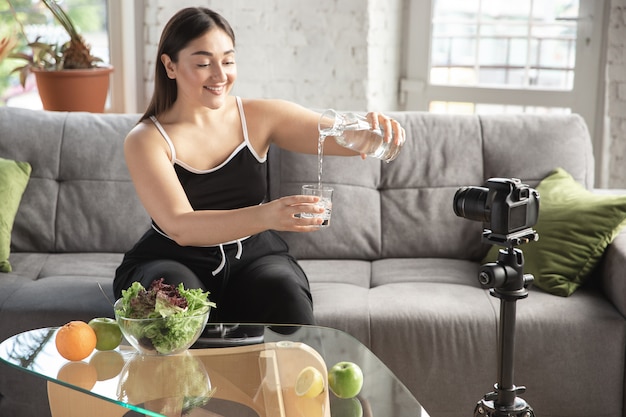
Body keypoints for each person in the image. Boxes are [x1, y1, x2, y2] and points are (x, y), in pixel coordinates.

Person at [113, 7, 405, 326]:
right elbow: (181, 227)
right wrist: (268, 215)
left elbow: (335, 134)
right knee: (176, 310)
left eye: (227, 61)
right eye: (202, 63)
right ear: (170, 65)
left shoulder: (260, 116)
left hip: (254, 258)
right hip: (170, 258)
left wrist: (369, 132)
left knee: (285, 296)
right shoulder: (146, 139)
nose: (220, 75)